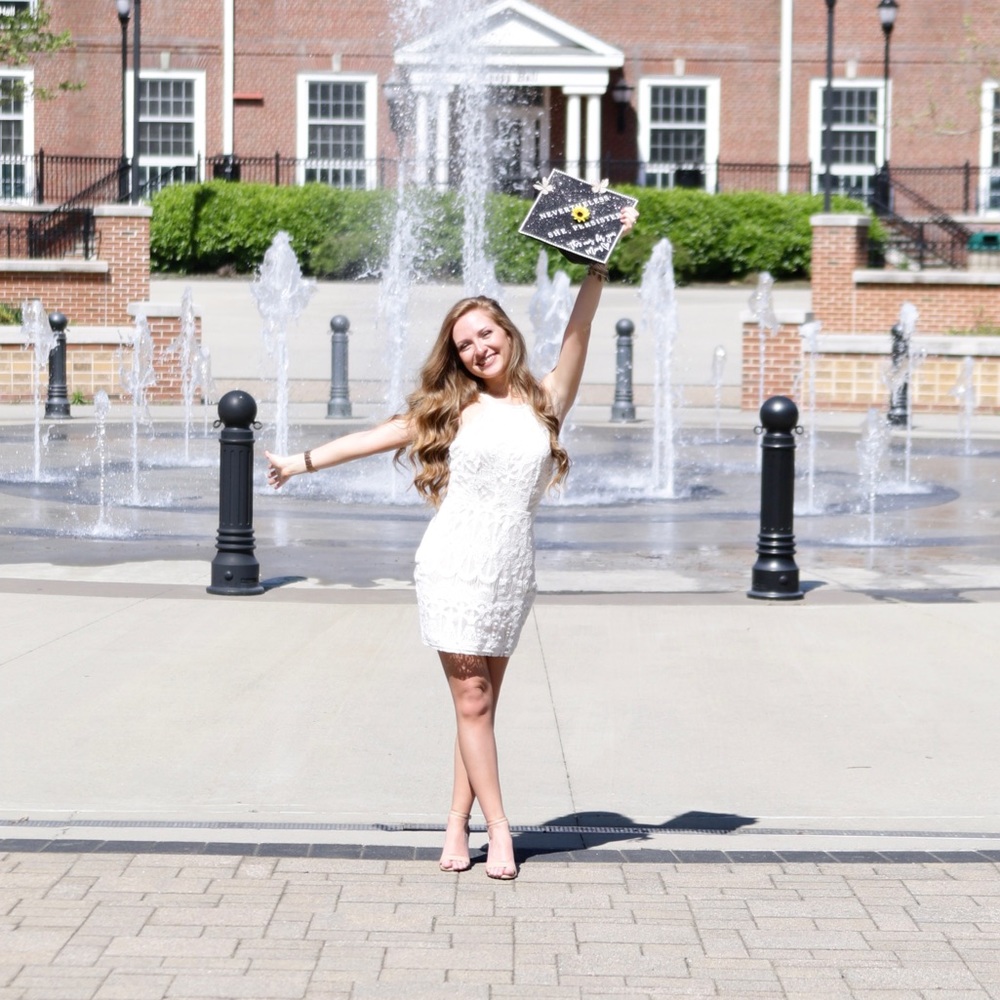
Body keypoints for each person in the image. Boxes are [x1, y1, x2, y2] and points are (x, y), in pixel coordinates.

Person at [265, 205, 638, 880]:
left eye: (486, 333)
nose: (477, 348)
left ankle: (455, 822)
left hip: (510, 568)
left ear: (507, 333)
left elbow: (580, 328)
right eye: (465, 343)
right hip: (452, 564)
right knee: (472, 701)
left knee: (480, 710)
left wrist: (598, 263)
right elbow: (369, 438)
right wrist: (300, 461)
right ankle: (500, 829)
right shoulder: (448, 408)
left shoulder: (547, 398)